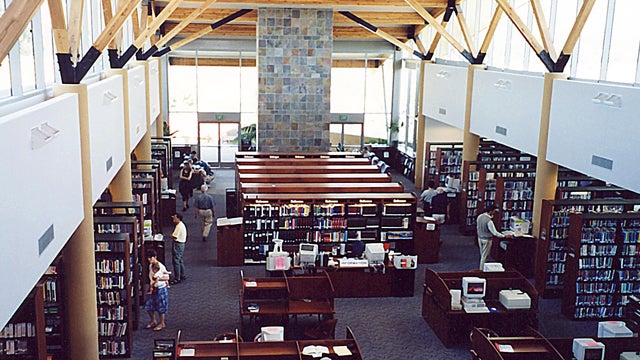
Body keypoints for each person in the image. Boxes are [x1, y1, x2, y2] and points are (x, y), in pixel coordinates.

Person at [476, 205, 513, 270]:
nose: (494, 213)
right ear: (490, 211)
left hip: (480, 238)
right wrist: (504, 236)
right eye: (493, 211)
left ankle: (484, 268)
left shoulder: (480, 216)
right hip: (487, 240)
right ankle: (481, 270)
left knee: (482, 254)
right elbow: (494, 232)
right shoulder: (489, 221)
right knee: (485, 256)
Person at [144, 249, 169, 331]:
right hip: (153, 288)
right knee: (148, 305)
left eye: (151, 258)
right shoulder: (150, 265)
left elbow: (167, 277)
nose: (149, 259)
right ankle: (153, 320)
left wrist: (159, 278)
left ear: (155, 257)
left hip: (160, 288)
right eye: (148, 258)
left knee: (161, 306)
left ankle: (162, 323)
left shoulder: (161, 267)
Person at [170, 213, 187, 284]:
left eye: (174, 218)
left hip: (178, 244)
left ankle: (177, 278)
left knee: (176, 260)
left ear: (178, 218)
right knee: (180, 259)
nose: (173, 219)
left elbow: (174, 236)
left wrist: (171, 235)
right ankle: (182, 274)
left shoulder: (179, 226)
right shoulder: (181, 225)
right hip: (181, 244)